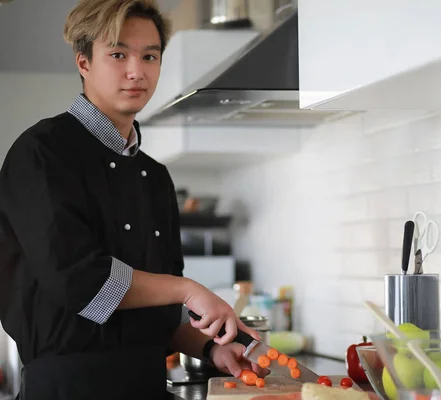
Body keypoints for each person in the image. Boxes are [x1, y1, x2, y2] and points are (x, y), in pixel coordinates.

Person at [0, 1, 266, 399]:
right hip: (67, 390)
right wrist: (188, 289)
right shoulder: (42, 153)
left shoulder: (156, 177)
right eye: (118, 54)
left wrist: (213, 348)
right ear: (84, 62)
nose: (136, 71)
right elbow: (83, 284)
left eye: (150, 56)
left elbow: (156, 317)